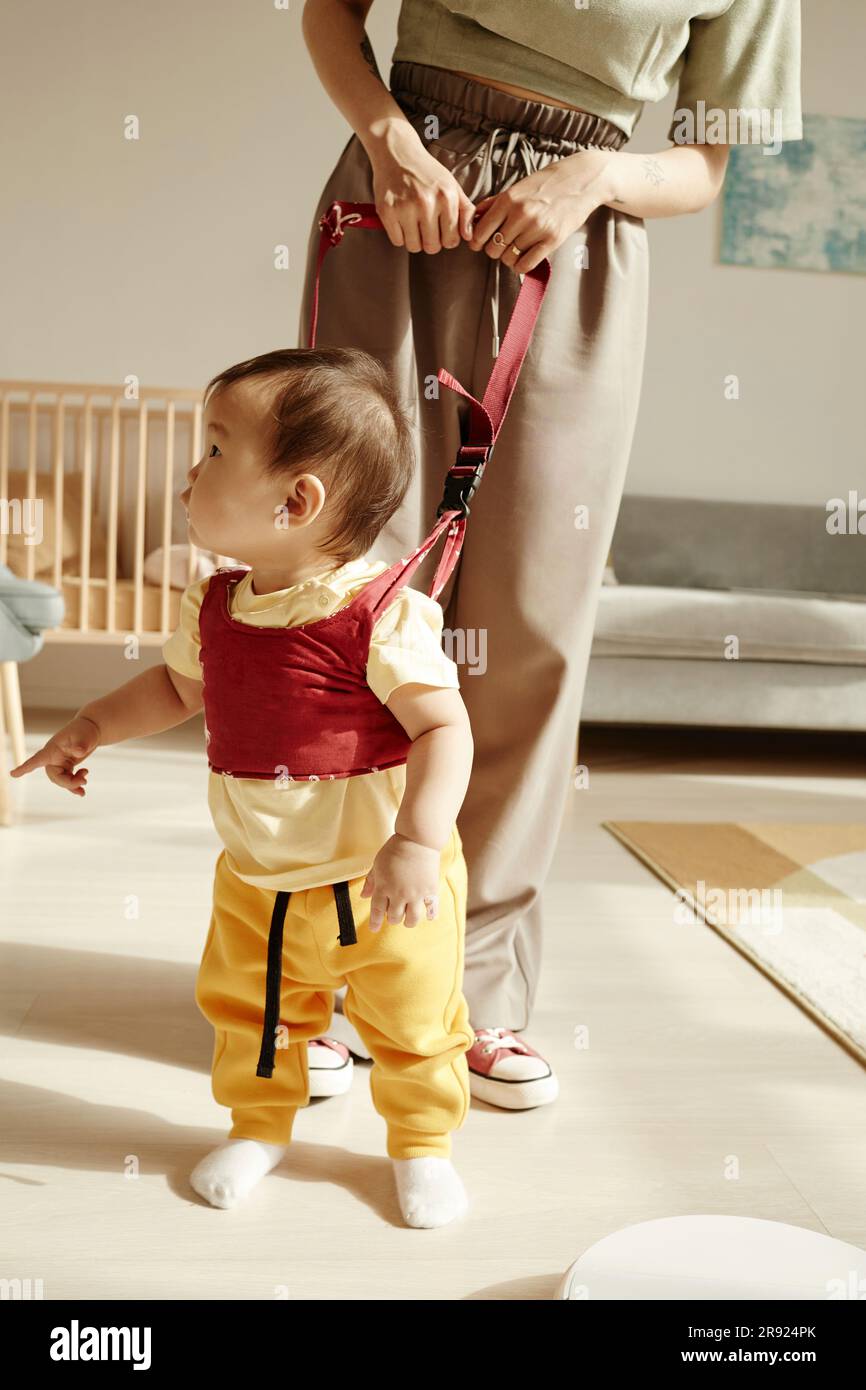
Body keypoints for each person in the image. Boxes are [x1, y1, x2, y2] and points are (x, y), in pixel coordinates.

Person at [299, 0, 803, 1109]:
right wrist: (391, 142)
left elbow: (703, 167)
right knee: (356, 591)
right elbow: (329, 11)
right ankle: (323, 969)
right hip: (397, 202)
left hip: (573, 248)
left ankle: (470, 988)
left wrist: (596, 180)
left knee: (527, 621)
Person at [12, 348, 478, 1227]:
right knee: (254, 1019)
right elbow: (178, 690)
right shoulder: (215, 604)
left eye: (217, 449)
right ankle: (262, 1126)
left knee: (413, 1023)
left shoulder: (380, 615)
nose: (193, 470)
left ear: (295, 501)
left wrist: (416, 842)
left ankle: (420, 1144)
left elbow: (443, 727)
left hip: (381, 883)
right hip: (259, 884)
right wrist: (91, 725)